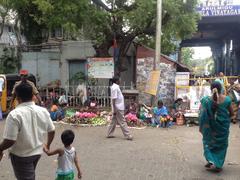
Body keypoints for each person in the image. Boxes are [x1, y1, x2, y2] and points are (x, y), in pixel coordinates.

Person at [0, 82, 55, 180]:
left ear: (17, 98)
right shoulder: (43, 111)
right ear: (33, 96)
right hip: (37, 153)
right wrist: (47, 145)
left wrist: (0, 148)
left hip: (21, 155)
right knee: (29, 175)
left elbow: (10, 140)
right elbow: (52, 130)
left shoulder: (15, 115)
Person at [199, 81, 233, 172]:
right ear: (221, 89)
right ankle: (217, 165)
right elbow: (232, 113)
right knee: (222, 145)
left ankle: (210, 160)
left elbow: (201, 114)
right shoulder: (227, 100)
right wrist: (225, 119)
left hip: (210, 128)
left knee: (208, 142)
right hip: (223, 128)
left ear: (211, 89)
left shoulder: (206, 100)